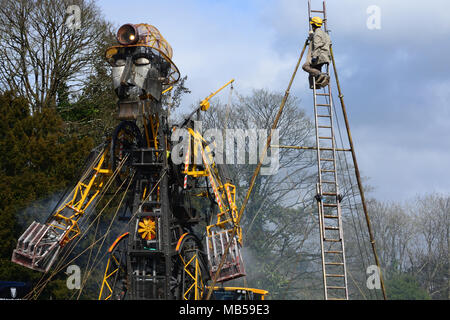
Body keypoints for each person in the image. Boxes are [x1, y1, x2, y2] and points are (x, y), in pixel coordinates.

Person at [302, 17, 331, 89]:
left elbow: (317, 46)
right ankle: (317, 84)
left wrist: (314, 57)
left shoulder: (317, 34)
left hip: (319, 57)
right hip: (326, 57)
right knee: (313, 71)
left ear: (313, 25)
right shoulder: (325, 34)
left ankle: (321, 75)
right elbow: (329, 44)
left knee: (305, 66)